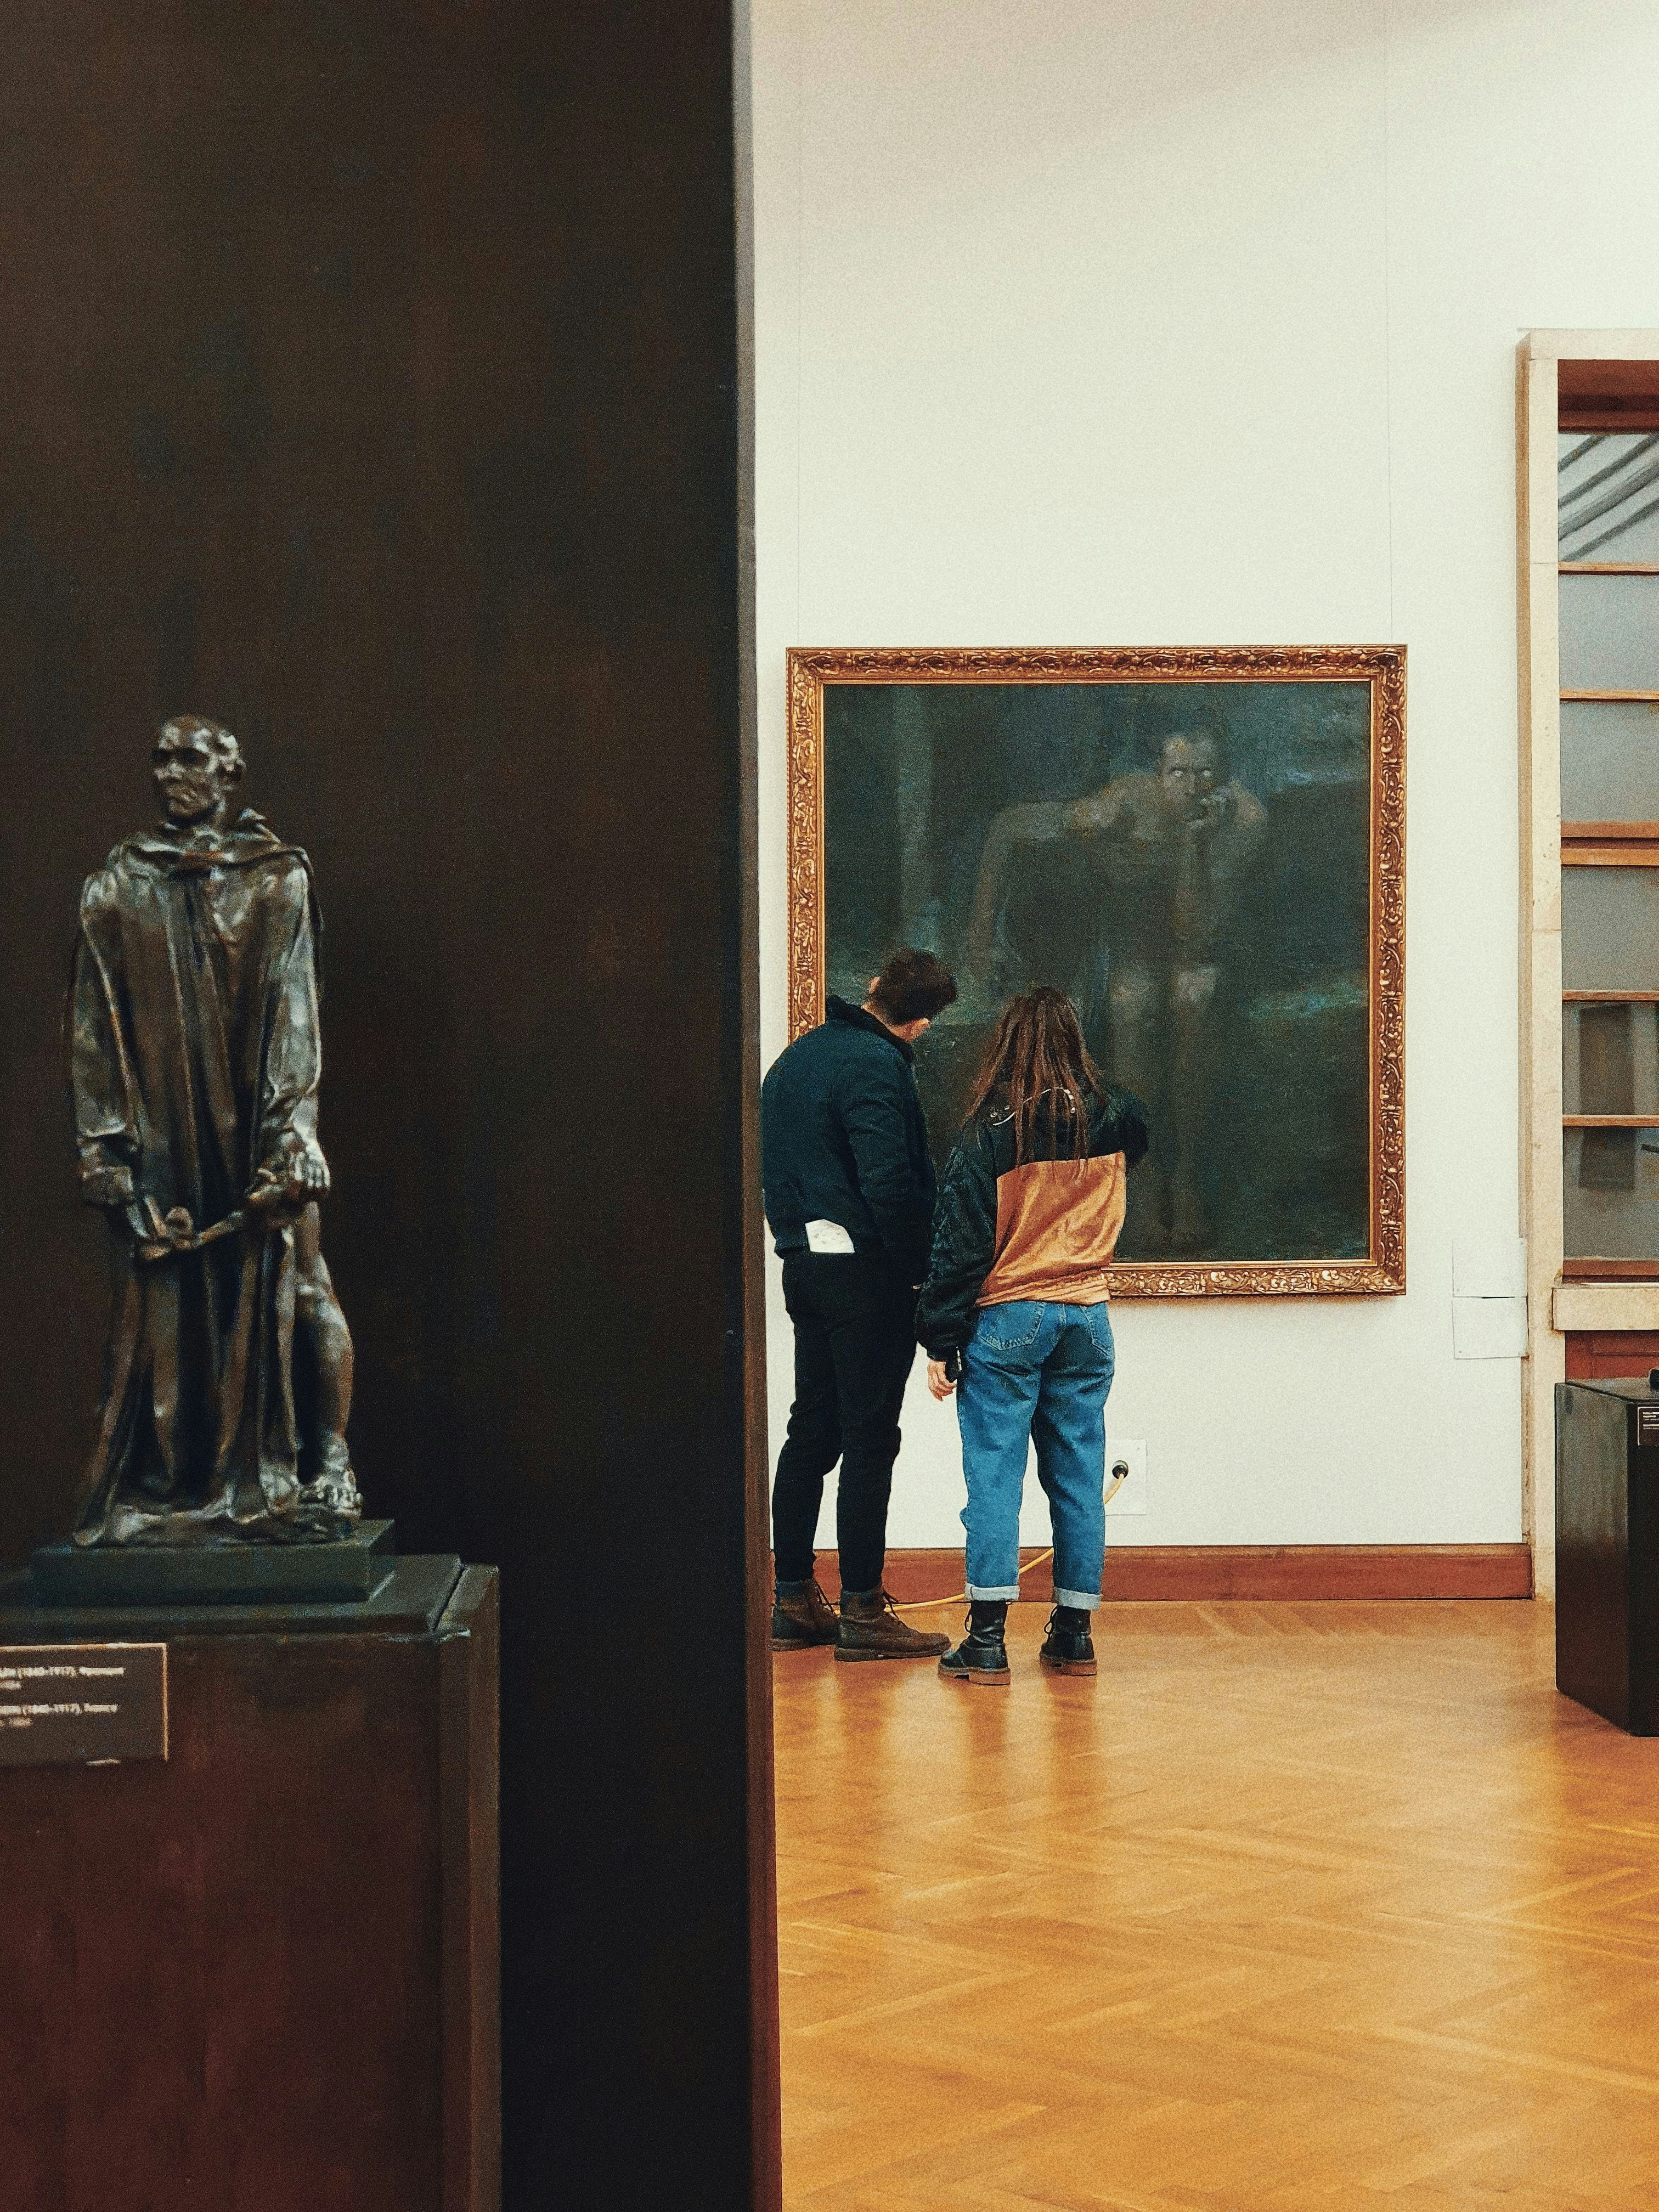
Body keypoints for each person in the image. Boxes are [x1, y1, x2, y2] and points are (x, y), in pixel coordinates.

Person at [69, 714, 359, 1545]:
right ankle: (189, 1470)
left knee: (303, 1283)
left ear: (230, 772)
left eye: (188, 758)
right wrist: (104, 1151)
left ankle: (330, 1459)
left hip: (260, 1128)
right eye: (158, 758)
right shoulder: (117, 887)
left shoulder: (277, 881)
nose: (169, 773)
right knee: (174, 1309)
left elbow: (295, 1012)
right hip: (165, 1134)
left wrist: (293, 1135)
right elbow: (93, 1026)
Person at [916, 986, 1147, 1684]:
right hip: (1089, 1318)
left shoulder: (989, 1131)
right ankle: (1073, 1635)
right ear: (1076, 1043)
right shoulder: (1118, 1117)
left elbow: (959, 1248)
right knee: (1079, 1480)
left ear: (1007, 1045)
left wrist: (940, 1342)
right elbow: (1134, 1147)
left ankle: (986, 1641)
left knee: (993, 1478)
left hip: (1011, 1318)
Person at [964, 721, 1262, 1255]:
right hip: (1128, 951)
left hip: (1204, 951)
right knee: (1132, 1004)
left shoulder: (1243, 821)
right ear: (1156, 774)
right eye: (1178, 773)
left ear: (1224, 777)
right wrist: (981, 934)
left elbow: (1195, 932)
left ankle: (1187, 1176)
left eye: (1205, 773)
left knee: (1197, 994)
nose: (1191, 786)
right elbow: (1010, 829)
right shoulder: (1124, 805)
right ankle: (1143, 1178)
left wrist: (1195, 843)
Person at [761, 949, 959, 1661]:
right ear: (922, 1023)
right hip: (867, 1281)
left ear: (874, 989)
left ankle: (791, 1598)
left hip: (803, 1269)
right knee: (870, 1438)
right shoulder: (878, 1067)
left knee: (811, 1430)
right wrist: (920, 1280)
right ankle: (863, 1611)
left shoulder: (800, 1057)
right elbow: (892, 1189)